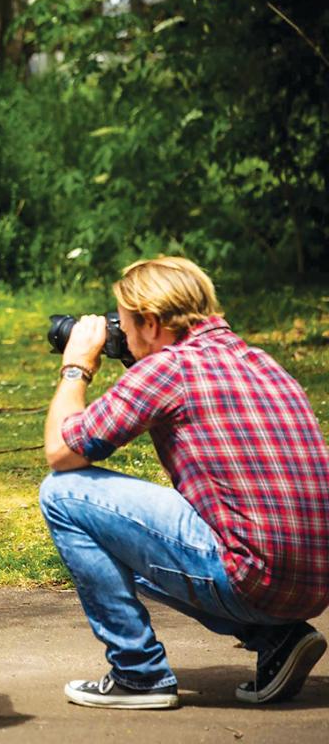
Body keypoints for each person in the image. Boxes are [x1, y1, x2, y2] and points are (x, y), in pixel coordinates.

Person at [40, 255, 329, 710]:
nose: (124, 336)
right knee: (118, 542)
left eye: (127, 325)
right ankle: (277, 637)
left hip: (253, 579)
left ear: (152, 322)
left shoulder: (169, 368)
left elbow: (62, 452)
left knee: (62, 496)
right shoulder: (260, 361)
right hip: (313, 583)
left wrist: (76, 367)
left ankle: (139, 674)